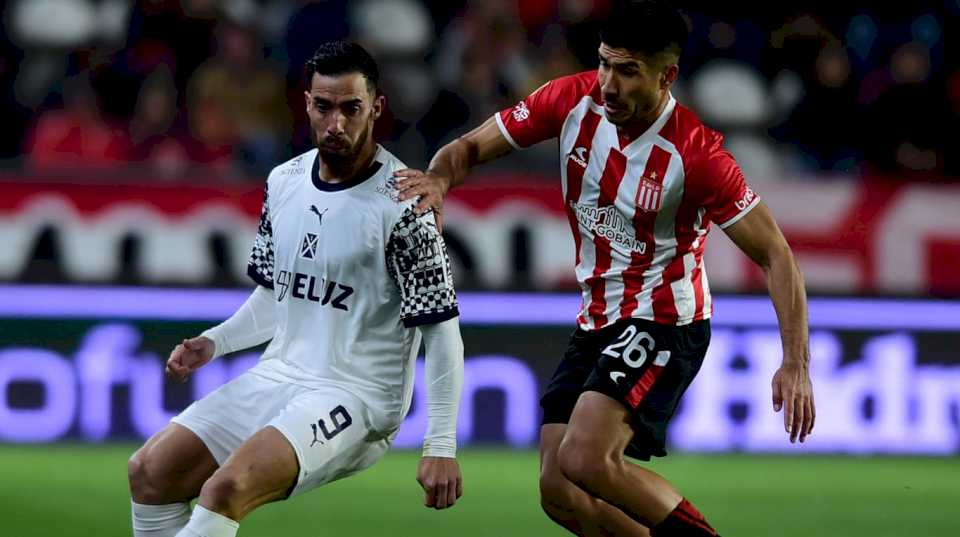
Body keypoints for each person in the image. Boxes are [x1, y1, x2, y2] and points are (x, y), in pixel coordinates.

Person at [396, 2, 815, 536]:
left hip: (666, 321)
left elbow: (776, 253)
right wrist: (438, 180)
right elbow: (469, 147)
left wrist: (795, 363)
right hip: (597, 320)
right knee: (558, 489)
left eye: (627, 71)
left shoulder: (696, 154)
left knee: (587, 460)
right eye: (604, 64)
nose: (608, 84)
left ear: (667, 76)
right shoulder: (571, 101)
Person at [127, 41, 465, 537]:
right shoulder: (284, 181)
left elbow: (441, 332)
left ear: (376, 107)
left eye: (351, 109)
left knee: (225, 489)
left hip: (357, 397)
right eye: (323, 107)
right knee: (149, 471)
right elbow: (276, 297)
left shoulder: (406, 204)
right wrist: (214, 343)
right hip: (279, 374)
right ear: (306, 102)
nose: (336, 125)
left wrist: (440, 445)